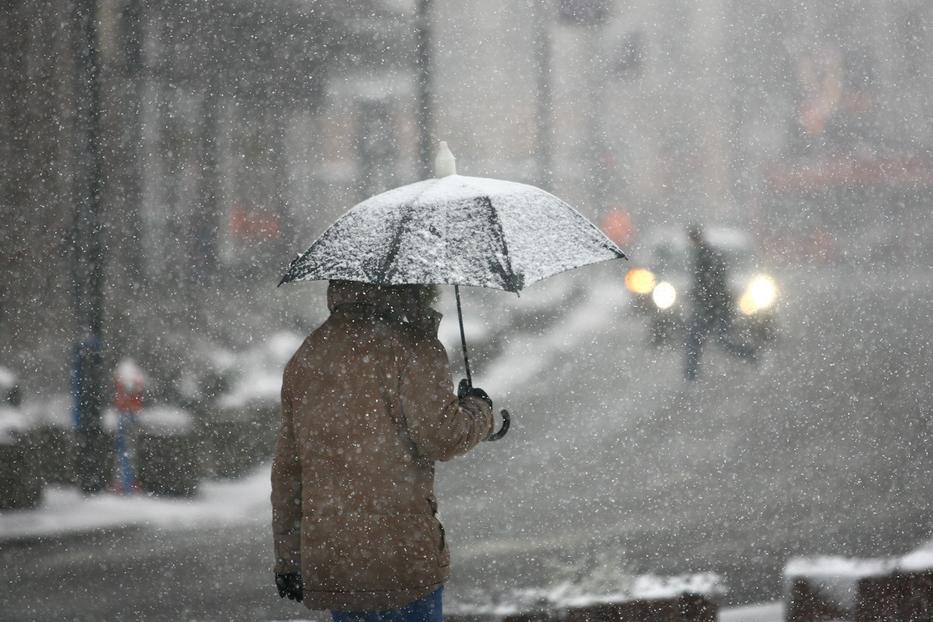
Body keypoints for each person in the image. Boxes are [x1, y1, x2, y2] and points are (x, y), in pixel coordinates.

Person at [271, 280, 494, 621]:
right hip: (402, 558)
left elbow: (289, 472)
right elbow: (443, 437)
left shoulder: (310, 353)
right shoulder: (414, 347)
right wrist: (479, 411)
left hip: (335, 559)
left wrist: (289, 559)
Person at [683, 224, 756, 381]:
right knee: (715, 340)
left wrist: (702, 298)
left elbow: (711, 284)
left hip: (713, 307)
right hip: (715, 306)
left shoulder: (705, 256)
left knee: (700, 340)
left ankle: (690, 375)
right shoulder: (707, 254)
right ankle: (690, 375)